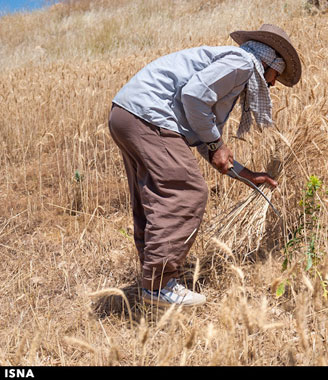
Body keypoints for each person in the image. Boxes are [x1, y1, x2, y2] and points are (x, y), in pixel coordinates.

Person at [107, 24, 301, 307]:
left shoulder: (230, 65)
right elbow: (194, 97)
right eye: (275, 76)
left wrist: (246, 175)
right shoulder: (242, 64)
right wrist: (217, 145)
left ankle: (152, 281)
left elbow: (202, 134)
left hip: (129, 114)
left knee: (152, 196)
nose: (272, 84)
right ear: (269, 61)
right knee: (187, 192)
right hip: (149, 116)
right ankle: (159, 284)